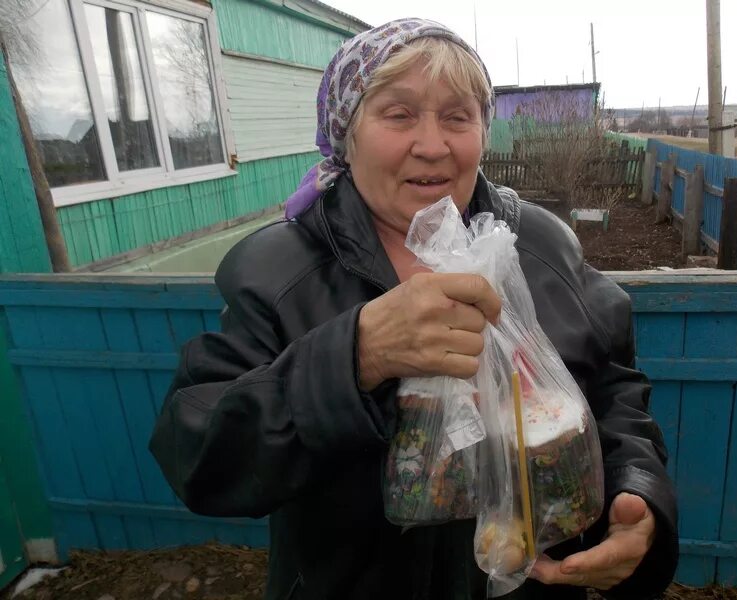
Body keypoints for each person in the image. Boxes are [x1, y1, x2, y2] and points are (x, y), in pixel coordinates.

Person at [150, 18, 678, 600]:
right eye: (398, 115)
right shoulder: (276, 271)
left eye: (458, 116)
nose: (432, 144)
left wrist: (638, 487)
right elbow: (197, 454)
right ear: (345, 134)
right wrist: (355, 358)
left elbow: (612, 391)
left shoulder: (540, 247)